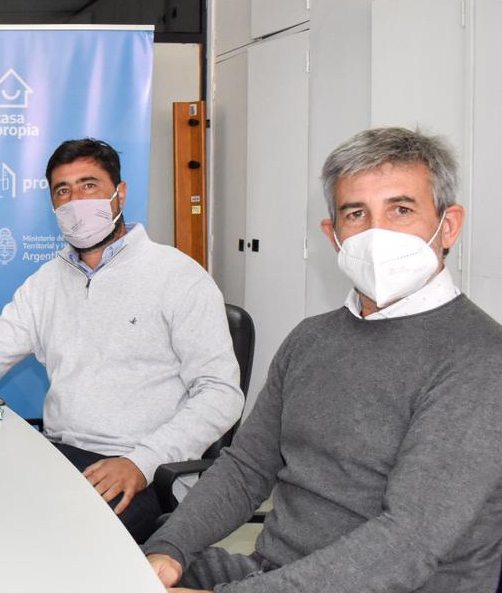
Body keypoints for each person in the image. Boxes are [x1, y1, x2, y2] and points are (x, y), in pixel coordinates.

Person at [143, 127, 502, 592]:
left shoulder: (480, 359)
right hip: (276, 574)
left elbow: (407, 544)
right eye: (356, 213)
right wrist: (168, 550)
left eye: (401, 209)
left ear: (448, 225)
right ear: (334, 235)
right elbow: (246, 468)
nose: (376, 232)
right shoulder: (311, 339)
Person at [0, 139, 243, 543]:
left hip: (144, 469)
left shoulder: (179, 277)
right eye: (63, 191)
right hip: (60, 454)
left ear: (120, 193)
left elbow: (221, 394)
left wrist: (142, 463)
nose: (75, 200)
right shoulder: (46, 282)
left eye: (89, 185)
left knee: (51, 541)